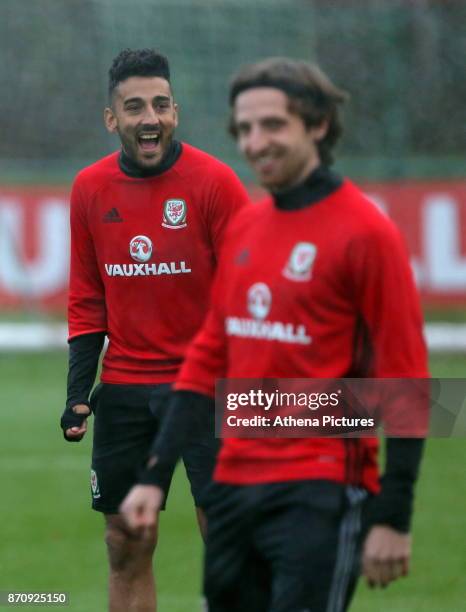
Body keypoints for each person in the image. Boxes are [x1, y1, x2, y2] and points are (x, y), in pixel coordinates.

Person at [120, 58, 428, 611]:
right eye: (245, 129)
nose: (255, 143)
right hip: (234, 485)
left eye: (272, 125)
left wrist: (394, 517)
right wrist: (153, 475)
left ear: (318, 126)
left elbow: (406, 377)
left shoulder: (366, 232)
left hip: (323, 489)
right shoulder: (246, 226)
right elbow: (210, 355)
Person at [59, 48, 249, 612]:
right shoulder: (89, 189)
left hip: (210, 389)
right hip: (124, 395)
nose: (151, 117)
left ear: (176, 112)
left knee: (228, 543)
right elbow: (88, 298)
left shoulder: (216, 183)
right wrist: (77, 394)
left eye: (161, 105)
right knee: (125, 543)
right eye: (135, 106)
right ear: (111, 118)